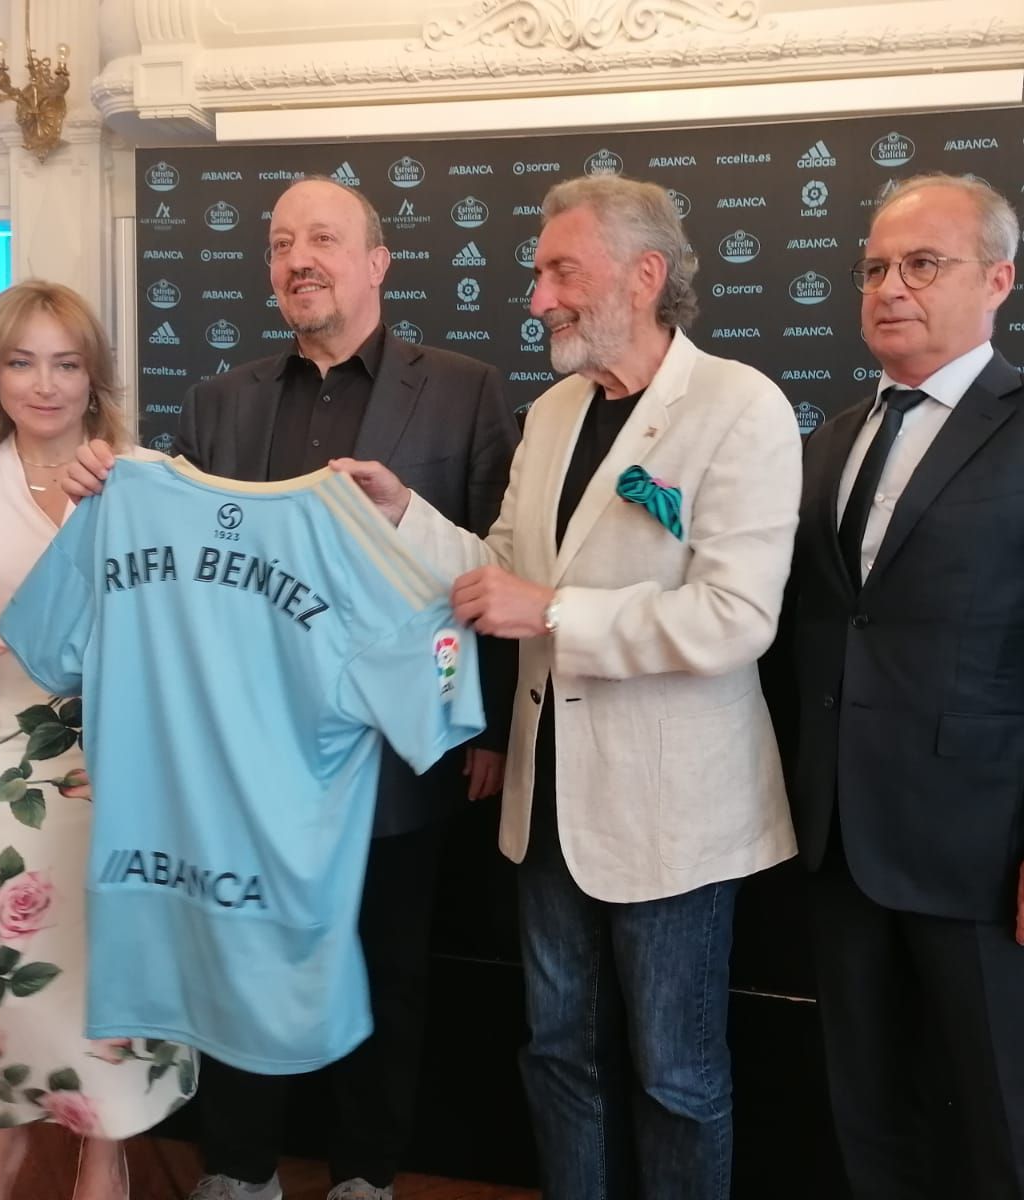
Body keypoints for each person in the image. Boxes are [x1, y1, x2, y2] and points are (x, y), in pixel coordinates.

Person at [332, 173, 801, 1200]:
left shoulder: (739, 408)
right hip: (545, 811)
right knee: (557, 1057)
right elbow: (498, 561)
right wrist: (406, 511)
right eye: (539, 274)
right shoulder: (548, 415)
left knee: (677, 1078)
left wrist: (549, 613)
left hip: (673, 821)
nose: (538, 299)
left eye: (561, 273)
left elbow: (735, 619)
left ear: (644, 276)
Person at [68, 175, 517, 1200]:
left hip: (398, 749)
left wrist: (486, 727)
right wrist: (107, 484)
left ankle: (366, 1175)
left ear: (376, 262)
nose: (298, 259)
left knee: (391, 972)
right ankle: (238, 1170)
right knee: (238, 958)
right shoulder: (221, 402)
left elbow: (498, 560)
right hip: (243, 766)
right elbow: (176, 579)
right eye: (279, 244)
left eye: (323, 238)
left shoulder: (464, 388)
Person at [775, 172, 1024, 1198]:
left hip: (996, 867)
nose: (889, 287)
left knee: (1015, 1137)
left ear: (998, 279)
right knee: (869, 1126)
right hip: (840, 853)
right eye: (872, 267)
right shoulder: (827, 444)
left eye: (921, 264)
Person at [0, 281, 197, 1200]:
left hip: (137, 755)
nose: (46, 384)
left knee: (123, 944)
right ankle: (3, 1135)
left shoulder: (148, 479)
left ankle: (108, 1138)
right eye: (23, 361)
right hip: (19, 761)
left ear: (95, 377)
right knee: (18, 953)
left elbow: (187, 625)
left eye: (67, 363)